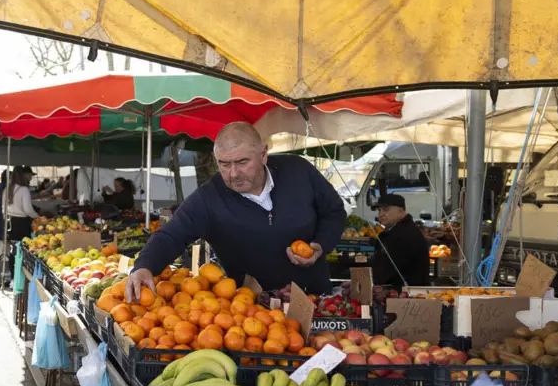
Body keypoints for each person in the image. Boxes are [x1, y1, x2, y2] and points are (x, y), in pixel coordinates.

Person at [125, 122, 346, 301]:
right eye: (224, 164)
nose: (233, 174)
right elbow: (171, 235)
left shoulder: (299, 171)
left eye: (242, 162)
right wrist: (144, 266)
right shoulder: (208, 198)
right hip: (252, 315)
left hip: (317, 299)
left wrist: (319, 246)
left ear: (263, 154)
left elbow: (334, 211)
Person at [371, 194, 431, 289]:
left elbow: (388, 270)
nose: (381, 214)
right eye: (379, 210)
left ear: (400, 211)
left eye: (386, 210)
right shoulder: (397, 231)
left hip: (407, 296)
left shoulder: (404, 235)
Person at [6, 166, 40, 272]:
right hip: (21, 223)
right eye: (29, 175)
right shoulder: (24, 190)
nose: (30, 178)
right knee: (22, 251)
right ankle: (19, 274)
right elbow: (28, 210)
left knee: (14, 249)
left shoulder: (8, 188)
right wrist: (38, 218)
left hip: (10, 222)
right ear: (23, 175)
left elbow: (3, 208)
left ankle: (12, 273)